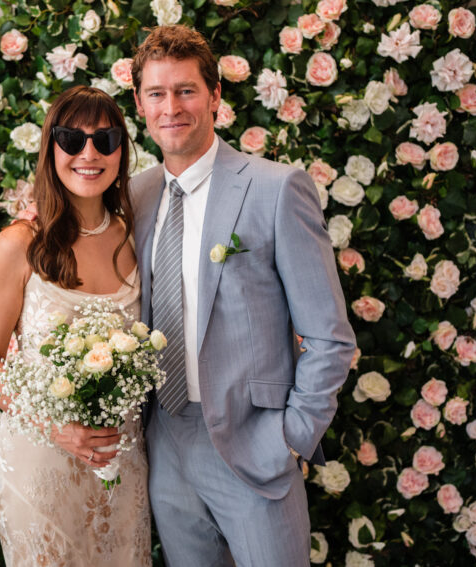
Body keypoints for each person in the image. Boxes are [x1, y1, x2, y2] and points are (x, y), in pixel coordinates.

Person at [130, 25, 356, 567]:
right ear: (139, 103)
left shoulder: (277, 188)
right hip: (165, 439)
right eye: (157, 94)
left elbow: (329, 336)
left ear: (215, 96)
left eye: (186, 90)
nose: (171, 107)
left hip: (254, 443)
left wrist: (289, 438)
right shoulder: (134, 194)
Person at [0, 86, 151, 567]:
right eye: (72, 139)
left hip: (121, 461)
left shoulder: (137, 236)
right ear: (51, 148)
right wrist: (56, 427)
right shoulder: (18, 244)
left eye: (105, 140)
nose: (89, 154)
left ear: (121, 152)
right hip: (42, 460)